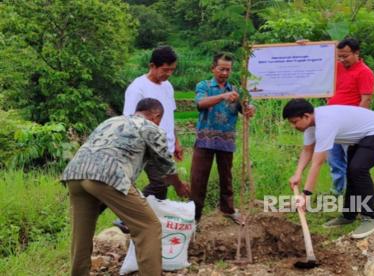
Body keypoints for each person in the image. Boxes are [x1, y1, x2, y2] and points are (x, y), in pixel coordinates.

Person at [61, 98, 190, 276]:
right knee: (148, 227)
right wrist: (179, 185)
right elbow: (166, 166)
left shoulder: (111, 121)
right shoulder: (151, 127)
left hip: (75, 173)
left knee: (81, 232)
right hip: (107, 175)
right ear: (156, 115)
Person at [283, 99, 374, 239]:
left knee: (358, 170)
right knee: (352, 172)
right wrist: (297, 174)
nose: (294, 126)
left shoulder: (325, 124)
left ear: (306, 116)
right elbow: (307, 150)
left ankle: (370, 218)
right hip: (361, 136)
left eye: (294, 122)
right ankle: (349, 215)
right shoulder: (311, 125)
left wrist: (306, 195)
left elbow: (317, 163)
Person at [190, 52, 255, 224]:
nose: (225, 73)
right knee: (198, 179)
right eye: (221, 69)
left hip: (226, 140)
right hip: (205, 140)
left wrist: (249, 110)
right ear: (213, 68)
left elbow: (245, 109)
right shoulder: (204, 85)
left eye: (228, 70)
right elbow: (200, 103)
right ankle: (194, 216)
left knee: (226, 177)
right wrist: (222, 96)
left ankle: (228, 209)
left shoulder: (236, 90)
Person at [123, 46, 183, 200]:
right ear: (152, 66)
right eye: (165, 69)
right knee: (160, 184)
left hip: (165, 145)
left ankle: (152, 221)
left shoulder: (168, 86)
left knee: (161, 191)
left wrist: (176, 141)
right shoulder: (138, 88)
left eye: (172, 70)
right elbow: (130, 121)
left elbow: (170, 116)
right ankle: (128, 213)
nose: (169, 74)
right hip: (149, 147)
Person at [327, 38, 374, 196]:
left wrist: (358, 125)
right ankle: (337, 191)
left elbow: (366, 99)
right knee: (334, 160)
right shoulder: (337, 67)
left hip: (350, 125)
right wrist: (305, 46)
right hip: (333, 121)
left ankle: (354, 193)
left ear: (356, 53)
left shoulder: (364, 72)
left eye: (345, 56)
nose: (342, 60)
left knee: (352, 162)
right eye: (339, 56)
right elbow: (315, 62)